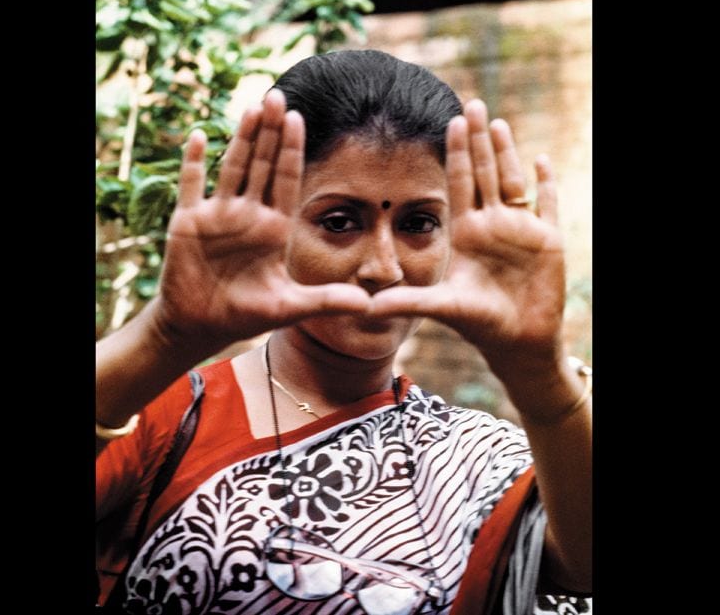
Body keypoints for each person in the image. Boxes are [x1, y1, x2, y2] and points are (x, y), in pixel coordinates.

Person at [96, 49, 592, 614]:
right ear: (274, 220)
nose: (384, 266)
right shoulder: (161, 417)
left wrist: (543, 377)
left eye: (418, 224)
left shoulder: (483, 458)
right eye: (339, 222)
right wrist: (163, 337)